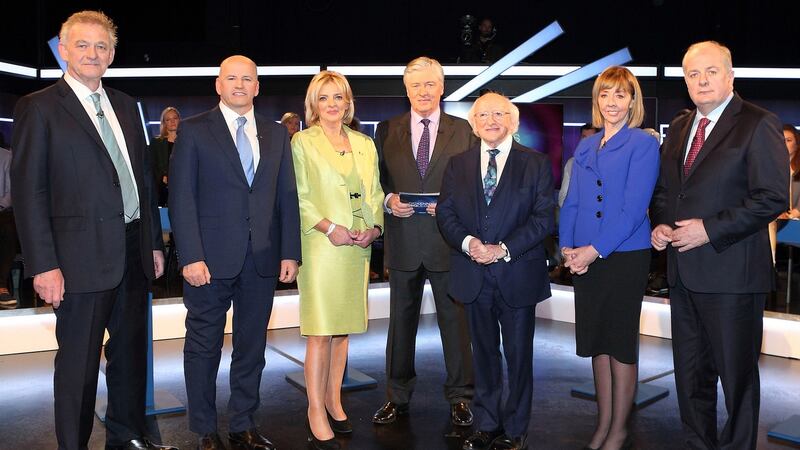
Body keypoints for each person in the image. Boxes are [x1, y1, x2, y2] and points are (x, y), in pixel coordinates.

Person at [10, 10, 176, 450]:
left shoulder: (125, 104)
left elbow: (140, 180)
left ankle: (125, 438)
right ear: (63, 51)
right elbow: (30, 193)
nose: (92, 53)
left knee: (128, 361)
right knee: (78, 369)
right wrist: (44, 265)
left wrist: (152, 245)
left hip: (133, 253)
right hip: (76, 261)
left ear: (112, 54)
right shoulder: (39, 107)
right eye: (82, 45)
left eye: (101, 46)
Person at [650, 41, 788, 450]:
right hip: (683, 275)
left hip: (733, 277)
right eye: (693, 74)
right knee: (690, 379)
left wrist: (709, 229)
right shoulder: (678, 128)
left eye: (710, 71)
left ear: (730, 75)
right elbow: (664, 192)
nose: (702, 80)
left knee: (737, 383)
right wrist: (661, 224)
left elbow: (772, 197)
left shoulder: (758, 123)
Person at [169, 55, 301, 450]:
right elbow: (181, 199)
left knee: (252, 348)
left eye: (248, 78)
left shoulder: (277, 134)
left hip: (261, 259)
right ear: (219, 84)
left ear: (258, 86)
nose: (240, 84)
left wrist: (289, 253)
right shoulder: (193, 131)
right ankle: (205, 430)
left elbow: (287, 197)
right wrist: (190, 256)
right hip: (208, 261)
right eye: (232, 78)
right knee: (203, 347)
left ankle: (243, 423)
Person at [437, 92, 554, 450]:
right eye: (483, 114)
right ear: (473, 123)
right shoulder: (458, 164)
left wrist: (502, 249)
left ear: (513, 121)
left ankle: (516, 431)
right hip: (473, 276)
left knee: (519, 358)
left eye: (499, 113)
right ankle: (487, 423)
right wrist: (470, 243)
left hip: (517, 274)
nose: (491, 120)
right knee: (484, 356)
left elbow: (544, 218)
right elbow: (446, 213)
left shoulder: (535, 163)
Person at [559, 66, 660, 450]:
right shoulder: (586, 145)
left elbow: (633, 212)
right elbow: (572, 202)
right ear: (597, 101)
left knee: (619, 344)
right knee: (596, 343)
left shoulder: (643, 144)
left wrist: (592, 250)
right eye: (605, 94)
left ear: (632, 101)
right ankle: (602, 424)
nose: (612, 102)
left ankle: (619, 430)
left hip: (622, 257)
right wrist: (568, 249)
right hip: (584, 258)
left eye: (620, 95)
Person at [373, 56, 475, 427]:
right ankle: (396, 397)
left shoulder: (464, 130)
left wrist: (450, 206)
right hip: (402, 242)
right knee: (400, 325)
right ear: (406, 89)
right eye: (416, 85)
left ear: (442, 87)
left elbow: (472, 184)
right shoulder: (385, 130)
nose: (423, 92)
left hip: (448, 243)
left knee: (456, 324)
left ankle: (461, 398)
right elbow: (377, 181)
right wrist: (387, 201)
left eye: (430, 84)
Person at [291, 70, 384, 450]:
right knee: (320, 330)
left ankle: (333, 399)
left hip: (357, 247)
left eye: (338, 97)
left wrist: (374, 229)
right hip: (321, 246)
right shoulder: (302, 142)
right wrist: (331, 228)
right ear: (314, 104)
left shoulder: (365, 143)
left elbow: (376, 192)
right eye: (324, 98)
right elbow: (300, 196)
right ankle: (315, 408)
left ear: (348, 103)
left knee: (343, 330)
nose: (332, 104)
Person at [558, 124, 598, 208]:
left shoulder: (608, 163)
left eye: (591, 138)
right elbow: (562, 197)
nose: (587, 141)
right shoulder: (571, 163)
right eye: (584, 137)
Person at [149, 106, 180, 206]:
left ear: (179, 120)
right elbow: (151, 166)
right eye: (168, 119)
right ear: (164, 123)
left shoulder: (187, 141)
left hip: (183, 187)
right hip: (163, 189)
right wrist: (163, 177)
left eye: (175, 118)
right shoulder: (156, 142)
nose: (172, 122)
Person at [0, 144, 17, 308]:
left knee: (7, 226)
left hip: (2, 211)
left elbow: (12, 192)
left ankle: (1, 286)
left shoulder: (6, 157)